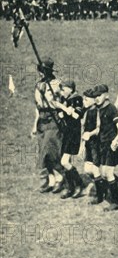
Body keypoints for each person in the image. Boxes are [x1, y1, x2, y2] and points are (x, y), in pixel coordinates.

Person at [32, 57, 64, 194]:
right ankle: (51, 180)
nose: (41, 73)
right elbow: (37, 106)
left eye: (43, 71)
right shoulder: (38, 85)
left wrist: (55, 97)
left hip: (53, 120)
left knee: (51, 151)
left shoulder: (57, 84)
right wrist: (34, 125)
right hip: (42, 120)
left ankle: (60, 178)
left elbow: (61, 101)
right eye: (40, 70)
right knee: (43, 152)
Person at [94, 84, 118, 211]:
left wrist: (116, 140)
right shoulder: (99, 109)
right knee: (104, 172)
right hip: (104, 143)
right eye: (95, 96)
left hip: (113, 144)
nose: (97, 98)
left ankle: (115, 202)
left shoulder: (111, 109)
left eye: (99, 95)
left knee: (107, 172)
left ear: (106, 95)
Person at [56, 80, 84, 199]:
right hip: (66, 133)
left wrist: (67, 110)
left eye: (63, 89)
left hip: (73, 134)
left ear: (70, 89)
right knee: (65, 161)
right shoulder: (64, 99)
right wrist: (62, 112)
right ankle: (70, 187)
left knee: (64, 161)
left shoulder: (77, 99)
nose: (61, 92)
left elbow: (78, 115)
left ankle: (78, 184)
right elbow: (61, 112)